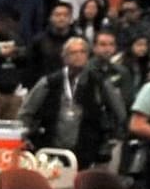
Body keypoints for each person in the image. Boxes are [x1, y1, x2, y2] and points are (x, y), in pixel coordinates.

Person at [20, 36, 124, 168]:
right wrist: (25, 137)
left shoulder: (99, 83)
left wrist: (111, 139)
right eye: (73, 52)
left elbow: (120, 113)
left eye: (82, 52)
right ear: (64, 57)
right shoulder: (50, 82)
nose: (78, 56)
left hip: (89, 150)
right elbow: (27, 111)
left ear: (88, 56)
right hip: (50, 148)